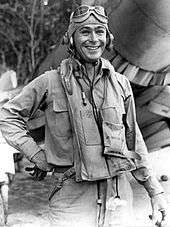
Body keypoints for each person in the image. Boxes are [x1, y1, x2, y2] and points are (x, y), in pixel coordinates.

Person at [0, 5, 167, 227]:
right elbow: (7, 116)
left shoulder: (121, 84)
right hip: (71, 202)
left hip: (118, 201)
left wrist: (155, 192)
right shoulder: (50, 82)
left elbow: (134, 141)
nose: (93, 39)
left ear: (107, 38)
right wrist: (37, 155)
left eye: (100, 32)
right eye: (85, 31)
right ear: (71, 39)